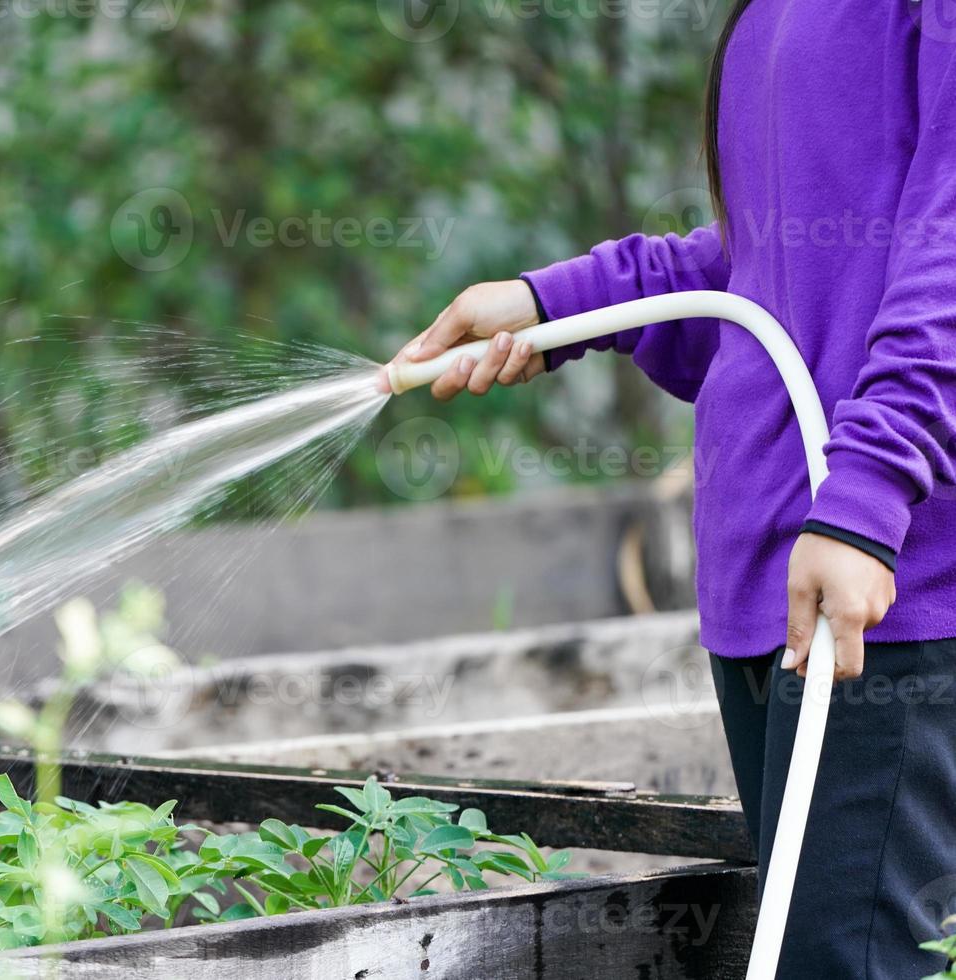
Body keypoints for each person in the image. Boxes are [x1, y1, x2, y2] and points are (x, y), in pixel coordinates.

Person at [387, 3, 956, 976]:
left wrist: (867, 492)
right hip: (766, 585)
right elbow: (770, 267)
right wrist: (550, 304)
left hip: (883, 588)